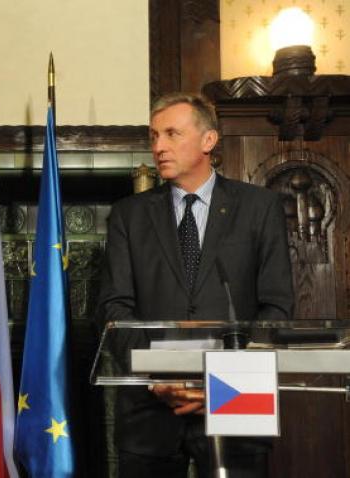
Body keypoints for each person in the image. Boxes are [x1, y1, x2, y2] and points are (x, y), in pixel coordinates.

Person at [97, 93, 293, 478]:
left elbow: (277, 308)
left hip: (237, 402)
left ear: (208, 141)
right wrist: (162, 379)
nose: (158, 147)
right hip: (149, 412)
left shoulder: (259, 207)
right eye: (154, 136)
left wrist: (221, 385)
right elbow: (114, 309)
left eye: (172, 134)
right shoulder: (128, 215)